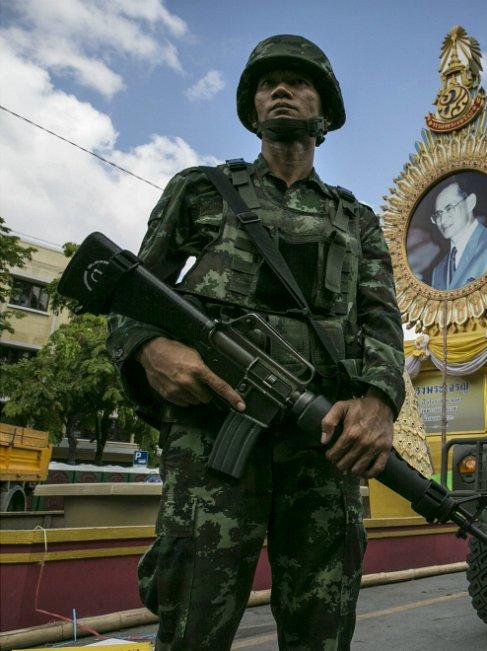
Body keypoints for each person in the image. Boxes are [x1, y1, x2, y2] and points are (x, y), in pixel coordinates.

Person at [106, 34, 404, 650]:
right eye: (268, 83)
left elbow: (380, 321)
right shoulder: (200, 190)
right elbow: (130, 294)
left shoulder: (356, 221)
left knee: (323, 628)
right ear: (252, 107)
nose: (281, 90)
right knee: (192, 621)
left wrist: (378, 401)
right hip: (215, 435)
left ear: (326, 112)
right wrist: (148, 350)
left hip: (324, 441)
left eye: (298, 81)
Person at [428, 180, 487, 290]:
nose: (442, 220)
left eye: (449, 208)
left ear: (470, 203)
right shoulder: (438, 271)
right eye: (438, 214)